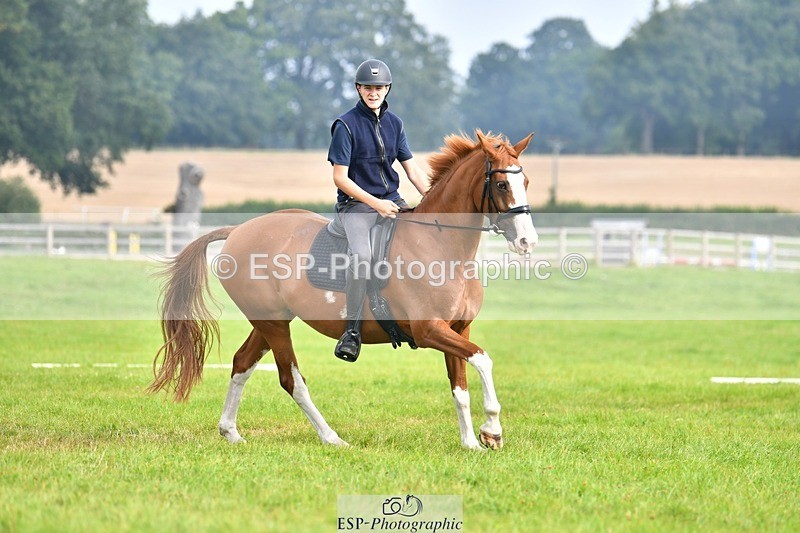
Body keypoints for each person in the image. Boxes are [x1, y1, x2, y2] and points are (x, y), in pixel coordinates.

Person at [327, 59, 430, 362]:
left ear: (387, 89)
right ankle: (352, 332)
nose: (373, 92)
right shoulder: (345, 125)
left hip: (393, 200)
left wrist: (434, 199)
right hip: (357, 206)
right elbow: (340, 178)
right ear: (359, 89)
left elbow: (413, 170)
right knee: (362, 258)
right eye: (368, 87)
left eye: (379, 87)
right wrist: (375, 203)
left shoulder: (395, 124)